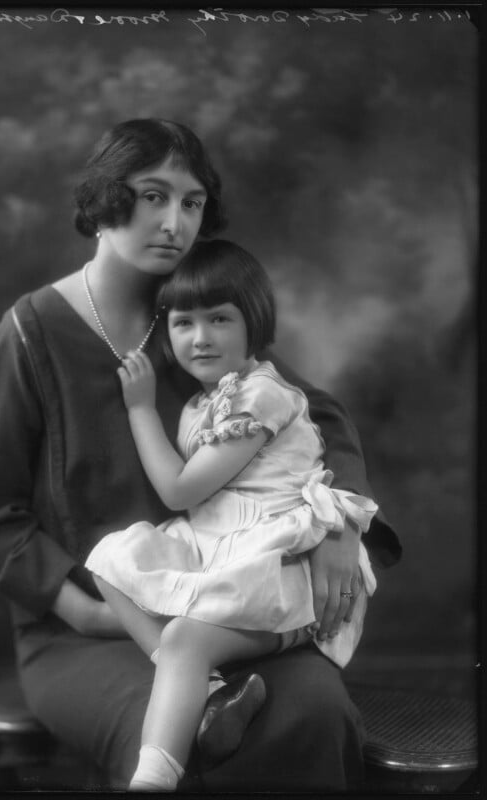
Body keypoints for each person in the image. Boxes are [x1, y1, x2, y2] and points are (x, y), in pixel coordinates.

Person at [0, 118, 401, 791]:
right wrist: (89, 611)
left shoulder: (194, 319)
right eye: (152, 196)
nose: (174, 222)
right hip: (87, 634)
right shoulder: (26, 337)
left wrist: (341, 522)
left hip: (226, 598)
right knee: (194, 739)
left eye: (191, 203)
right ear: (106, 198)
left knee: (313, 713)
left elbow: (315, 416)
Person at [86, 238, 380, 791]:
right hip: (222, 545)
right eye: (182, 323)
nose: (199, 338)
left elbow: (178, 491)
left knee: (183, 640)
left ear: (254, 322)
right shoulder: (207, 402)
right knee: (110, 562)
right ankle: (213, 690)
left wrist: (141, 408)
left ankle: (151, 781)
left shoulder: (260, 394)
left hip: (281, 562)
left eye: (219, 319)